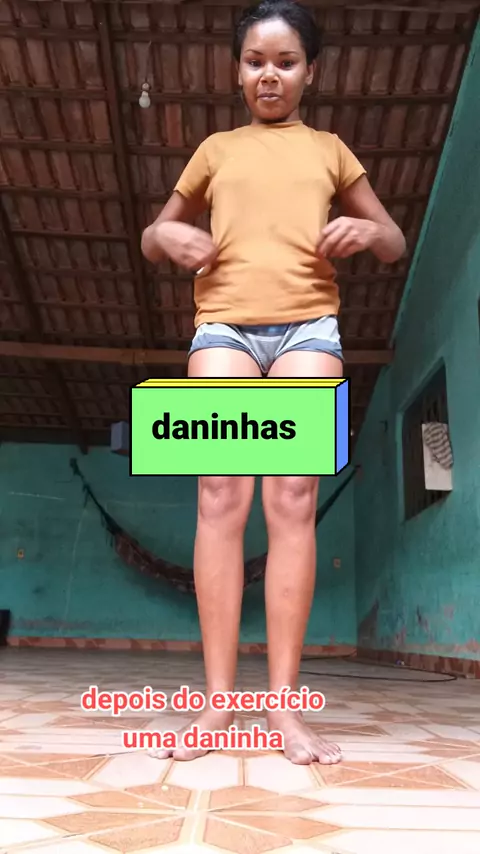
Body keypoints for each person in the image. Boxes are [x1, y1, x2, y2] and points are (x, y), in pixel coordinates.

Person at [141, 0, 406, 765]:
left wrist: (368, 230)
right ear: (237, 70)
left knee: (291, 496)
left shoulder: (329, 150)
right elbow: (156, 232)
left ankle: (285, 709)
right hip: (223, 328)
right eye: (255, 60)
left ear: (309, 72)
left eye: (285, 62)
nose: (269, 75)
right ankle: (218, 705)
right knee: (221, 491)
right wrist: (169, 234)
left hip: (307, 330)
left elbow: (392, 240)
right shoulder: (216, 150)